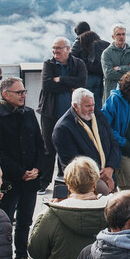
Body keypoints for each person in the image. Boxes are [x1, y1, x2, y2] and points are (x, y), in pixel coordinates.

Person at [0, 77, 44, 259]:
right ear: (5, 94)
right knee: (5, 223)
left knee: (25, 221)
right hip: (10, 179)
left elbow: (39, 142)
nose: (23, 95)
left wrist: (37, 169)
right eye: (19, 92)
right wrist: (20, 172)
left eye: (24, 91)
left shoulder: (28, 113)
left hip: (30, 179)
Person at [38, 36, 88, 191]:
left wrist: (61, 80)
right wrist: (68, 85)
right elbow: (47, 85)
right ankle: (43, 182)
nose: (55, 51)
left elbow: (82, 82)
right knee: (48, 148)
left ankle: (67, 180)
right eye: (53, 48)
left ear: (67, 49)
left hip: (71, 115)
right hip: (50, 113)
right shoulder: (49, 64)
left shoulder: (78, 63)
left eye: (58, 48)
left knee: (68, 147)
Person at [52, 88, 119, 195]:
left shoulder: (99, 116)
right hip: (84, 183)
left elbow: (113, 143)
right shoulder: (63, 128)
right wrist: (101, 176)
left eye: (93, 104)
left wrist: (110, 168)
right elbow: (73, 164)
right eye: (87, 106)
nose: (92, 109)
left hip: (107, 174)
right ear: (75, 106)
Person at [101, 24, 130, 98]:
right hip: (112, 92)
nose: (121, 37)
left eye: (123, 34)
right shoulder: (107, 53)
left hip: (129, 91)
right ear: (113, 37)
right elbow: (108, 74)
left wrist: (120, 68)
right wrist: (129, 73)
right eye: (118, 34)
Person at [75, 28, 109, 109]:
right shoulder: (104, 45)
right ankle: (97, 120)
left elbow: (75, 57)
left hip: (88, 77)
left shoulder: (83, 45)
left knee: (86, 101)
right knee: (97, 102)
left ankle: (89, 120)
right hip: (100, 77)